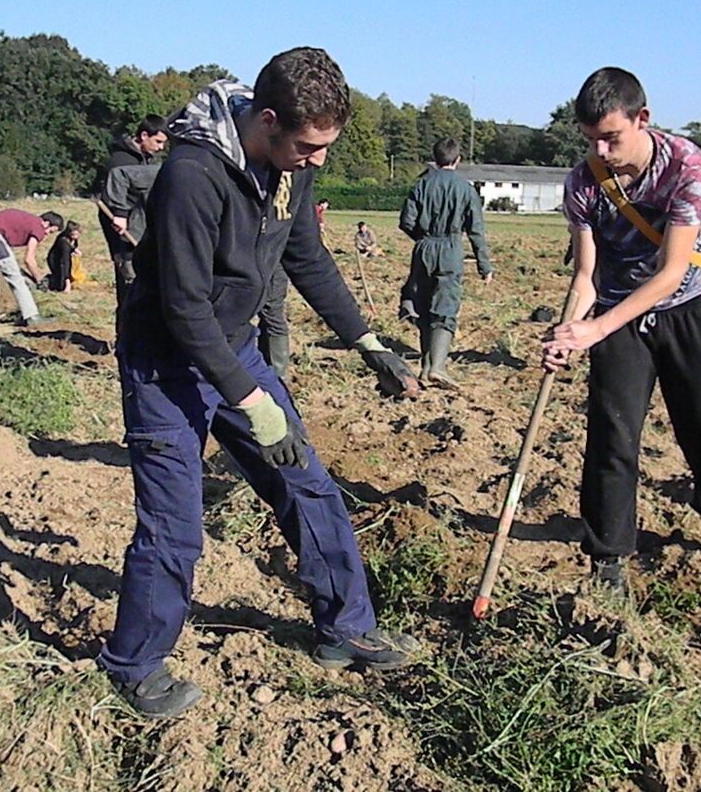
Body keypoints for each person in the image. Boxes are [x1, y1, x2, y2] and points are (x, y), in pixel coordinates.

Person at [100, 47, 421, 719]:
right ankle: (133, 663)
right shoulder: (190, 175)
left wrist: (367, 341)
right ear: (266, 119)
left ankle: (345, 626)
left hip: (236, 350)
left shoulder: (288, 168)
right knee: (175, 524)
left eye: (326, 146)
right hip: (166, 363)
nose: (318, 160)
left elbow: (305, 255)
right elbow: (183, 307)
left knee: (305, 481)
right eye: (308, 146)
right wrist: (253, 402)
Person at [542, 66, 701, 591]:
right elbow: (586, 274)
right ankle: (608, 556)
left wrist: (595, 328)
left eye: (611, 138)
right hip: (615, 316)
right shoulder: (583, 182)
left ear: (643, 119)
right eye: (591, 141)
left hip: (686, 310)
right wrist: (571, 331)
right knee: (612, 438)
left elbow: (672, 271)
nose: (602, 152)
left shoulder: (688, 165)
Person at [398, 137, 493, 389]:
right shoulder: (466, 189)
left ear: (435, 158)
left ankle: (426, 367)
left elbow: (406, 221)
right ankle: (437, 368)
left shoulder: (421, 184)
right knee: (445, 307)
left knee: (424, 308)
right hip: (450, 250)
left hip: (424, 248)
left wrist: (422, 240)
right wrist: (484, 265)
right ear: (458, 160)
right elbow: (476, 231)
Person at [99, 115, 167, 312]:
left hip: (140, 231)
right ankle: (124, 339)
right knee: (129, 288)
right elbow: (110, 200)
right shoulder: (121, 162)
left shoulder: (145, 160)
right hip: (124, 237)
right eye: (158, 141)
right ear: (144, 135)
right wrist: (120, 216)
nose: (161, 147)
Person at [0, 209, 62, 326]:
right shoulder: (38, 226)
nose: (47, 234)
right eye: (50, 231)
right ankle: (32, 316)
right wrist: (40, 280)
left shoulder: (29, 220)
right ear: (46, 223)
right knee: (15, 278)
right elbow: (29, 259)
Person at [46, 221, 82, 293]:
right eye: (73, 235)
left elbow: (72, 246)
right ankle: (47, 280)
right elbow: (65, 262)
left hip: (64, 257)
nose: (75, 237)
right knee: (61, 286)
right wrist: (67, 283)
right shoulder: (63, 242)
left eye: (77, 234)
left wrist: (74, 250)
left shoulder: (72, 238)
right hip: (55, 260)